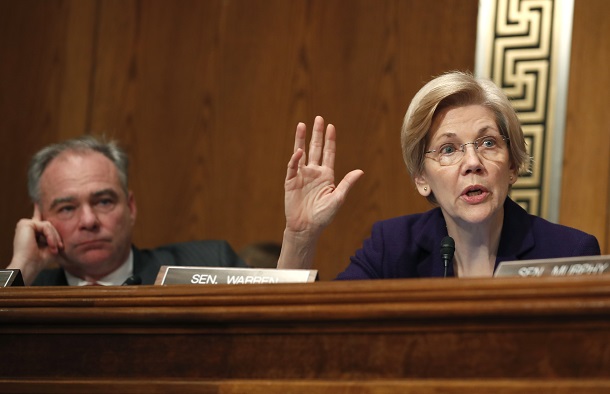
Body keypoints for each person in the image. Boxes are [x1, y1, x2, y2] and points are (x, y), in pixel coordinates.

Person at [277, 71, 600, 278]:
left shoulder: (568, 254)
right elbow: (319, 333)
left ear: (512, 165)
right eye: (448, 149)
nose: (472, 161)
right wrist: (301, 236)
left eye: (488, 143)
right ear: (421, 178)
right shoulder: (392, 247)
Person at [7, 136, 246, 286]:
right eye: (67, 208)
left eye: (103, 202)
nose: (89, 221)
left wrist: (287, 233)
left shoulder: (209, 264)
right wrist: (23, 266)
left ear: (130, 207)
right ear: (40, 218)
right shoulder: (25, 288)